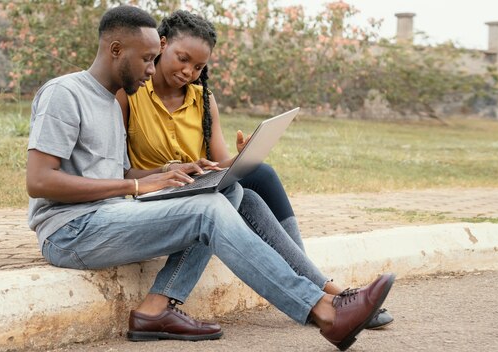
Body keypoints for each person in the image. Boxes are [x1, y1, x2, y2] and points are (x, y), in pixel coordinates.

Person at [26, 5, 394, 351]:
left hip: (105, 218)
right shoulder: (65, 93)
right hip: (69, 232)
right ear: (116, 49)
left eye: (155, 59)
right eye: (148, 59)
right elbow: (39, 182)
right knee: (209, 210)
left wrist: (164, 173)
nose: (153, 70)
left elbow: (117, 172)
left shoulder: (109, 100)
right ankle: (325, 311)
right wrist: (137, 186)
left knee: (227, 193)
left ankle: (156, 309)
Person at [117, 10, 394, 329]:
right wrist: (169, 169)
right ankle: (330, 294)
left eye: (198, 67)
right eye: (182, 59)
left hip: (195, 189)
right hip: (155, 195)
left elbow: (220, 164)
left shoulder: (203, 99)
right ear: (161, 45)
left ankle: (325, 295)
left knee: (257, 176)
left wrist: (242, 156)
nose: (188, 71)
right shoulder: (132, 92)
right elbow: (121, 171)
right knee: (242, 194)